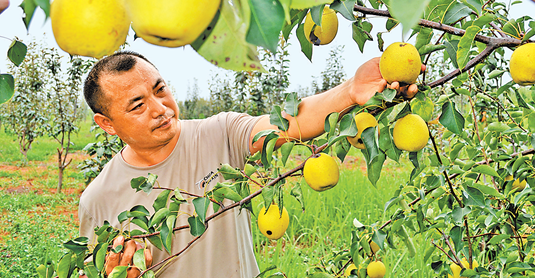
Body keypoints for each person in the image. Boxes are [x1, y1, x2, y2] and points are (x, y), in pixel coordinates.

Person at [79, 50, 421, 278]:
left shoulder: (219, 133)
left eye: (160, 89)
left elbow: (287, 122)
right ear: (106, 124)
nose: (161, 108)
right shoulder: (99, 200)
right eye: (137, 105)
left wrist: (350, 91)